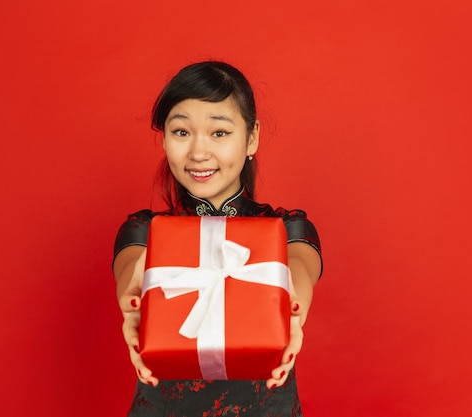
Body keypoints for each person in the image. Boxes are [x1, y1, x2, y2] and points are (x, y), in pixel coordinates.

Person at [113, 61, 323, 416]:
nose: (198, 152)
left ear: (251, 136)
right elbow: (130, 275)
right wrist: (136, 287)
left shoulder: (288, 229)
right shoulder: (144, 231)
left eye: (219, 133)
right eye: (181, 132)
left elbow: (298, 273)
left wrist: (292, 304)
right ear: (164, 138)